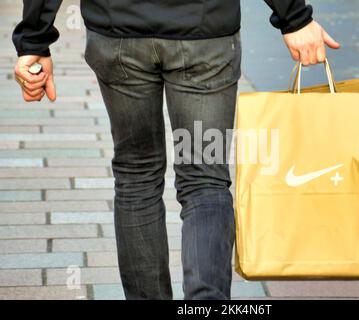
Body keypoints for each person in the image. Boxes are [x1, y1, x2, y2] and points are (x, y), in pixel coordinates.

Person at [12, 0, 340, 300]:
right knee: (204, 179)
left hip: (118, 32)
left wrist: (34, 38)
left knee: (136, 175)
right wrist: (293, 17)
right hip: (204, 34)